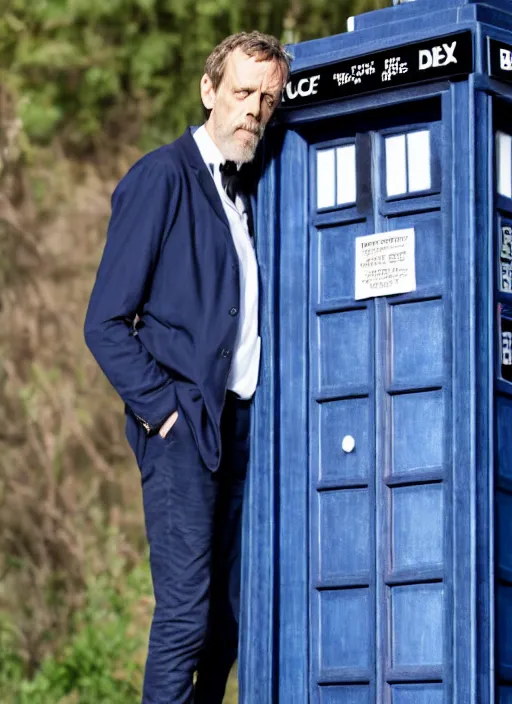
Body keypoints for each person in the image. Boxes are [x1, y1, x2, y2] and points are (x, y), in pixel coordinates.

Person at [84, 31, 291, 704]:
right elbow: (105, 324)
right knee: (185, 617)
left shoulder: (249, 194)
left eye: (267, 97)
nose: (253, 110)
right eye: (241, 93)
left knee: (231, 617)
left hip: (241, 429)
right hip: (182, 429)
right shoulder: (161, 178)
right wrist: (165, 411)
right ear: (208, 91)